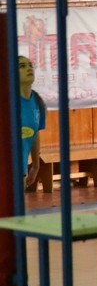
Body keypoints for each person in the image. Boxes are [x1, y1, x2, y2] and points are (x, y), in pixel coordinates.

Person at [19, 56, 47, 192]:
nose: (29, 68)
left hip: (20, 170)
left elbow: (34, 133)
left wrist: (35, 165)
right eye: (22, 66)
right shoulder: (6, 100)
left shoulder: (38, 102)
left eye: (30, 65)